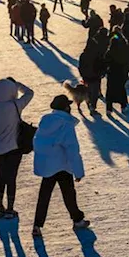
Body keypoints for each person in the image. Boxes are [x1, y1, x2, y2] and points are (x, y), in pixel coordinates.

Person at [31, 95, 90, 238]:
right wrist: (78, 172)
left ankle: (37, 225)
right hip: (62, 165)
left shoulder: (45, 122)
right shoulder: (65, 124)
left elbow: (37, 142)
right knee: (69, 194)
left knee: (44, 195)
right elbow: (72, 149)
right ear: (65, 107)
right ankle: (77, 220)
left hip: (48, 166)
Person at [0, 77, 34, 218]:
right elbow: (30, 93)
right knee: (11, 177)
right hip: (14, 147)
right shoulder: (15, 105)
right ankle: (10, 208)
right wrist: (17, 85)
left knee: (1, 176)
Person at [103, 29, 129, 115]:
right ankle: (123, 106)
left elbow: (105, 61)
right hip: (121, 73)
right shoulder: (122, 51)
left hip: (111, 73)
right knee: (121, 89)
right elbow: (127, 62)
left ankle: (109, 108)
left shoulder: (109, 52)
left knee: (110, 90)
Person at [79, 31, 106, 115]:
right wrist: (102, 73)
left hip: (86, 77)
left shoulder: (83, 55)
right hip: (95, 76)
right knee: (94, 93)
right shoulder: (97, 54)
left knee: (89, 92)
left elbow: (80, 67)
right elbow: (101, 64)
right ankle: (92, 107)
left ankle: (89, 105)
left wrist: (83, 75)